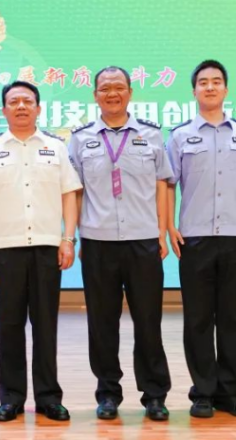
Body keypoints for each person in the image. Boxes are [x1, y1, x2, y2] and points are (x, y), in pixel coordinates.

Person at [0, 80, 82, 423]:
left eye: (27, 101)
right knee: (10, 325)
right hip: (6, 248)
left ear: (38, 108)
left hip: (48, 246)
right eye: (14, 101)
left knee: (46, 325)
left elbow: (69, 194)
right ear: (3, 110)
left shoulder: (55, 147)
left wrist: (68, 239)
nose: (21, 106)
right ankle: (12, 398)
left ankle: (49, 397)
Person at [68, 66, 173, 421]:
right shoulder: (80, 138)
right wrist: (75, 235)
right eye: (104, 88)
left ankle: (154, 395)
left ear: (130, 92)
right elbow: (75, 192)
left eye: (118, 87)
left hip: (143, 240)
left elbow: (162, 184)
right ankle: (108, 393)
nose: (112, 93)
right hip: (97, 241)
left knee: (148, 320)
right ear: (95, 95)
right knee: (102, 323)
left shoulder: (151, 135)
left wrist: (161, 232)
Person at [165, 59, 236, 418]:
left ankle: (230, 392)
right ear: (194, 91)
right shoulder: (179, 136)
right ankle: (203, 391)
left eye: (216, 81)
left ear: (226, 89)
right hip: (194, 237)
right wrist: (169, 225)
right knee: (199, 318)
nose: (210, 86)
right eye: (203, 82)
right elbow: (169, 184)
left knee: (235, 317)